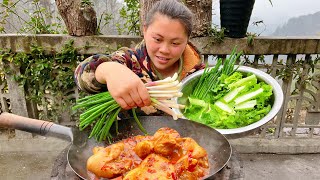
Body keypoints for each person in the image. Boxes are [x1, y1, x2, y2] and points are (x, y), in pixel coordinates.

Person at [74, 0, 204, 115]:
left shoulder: (199, 76)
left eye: (175, 43)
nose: (164, 50)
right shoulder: (129, 61)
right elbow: (82, 74)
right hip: (129, 140)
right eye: (158, 39)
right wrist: (109, 70)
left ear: (187, 40)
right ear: (145, 30)